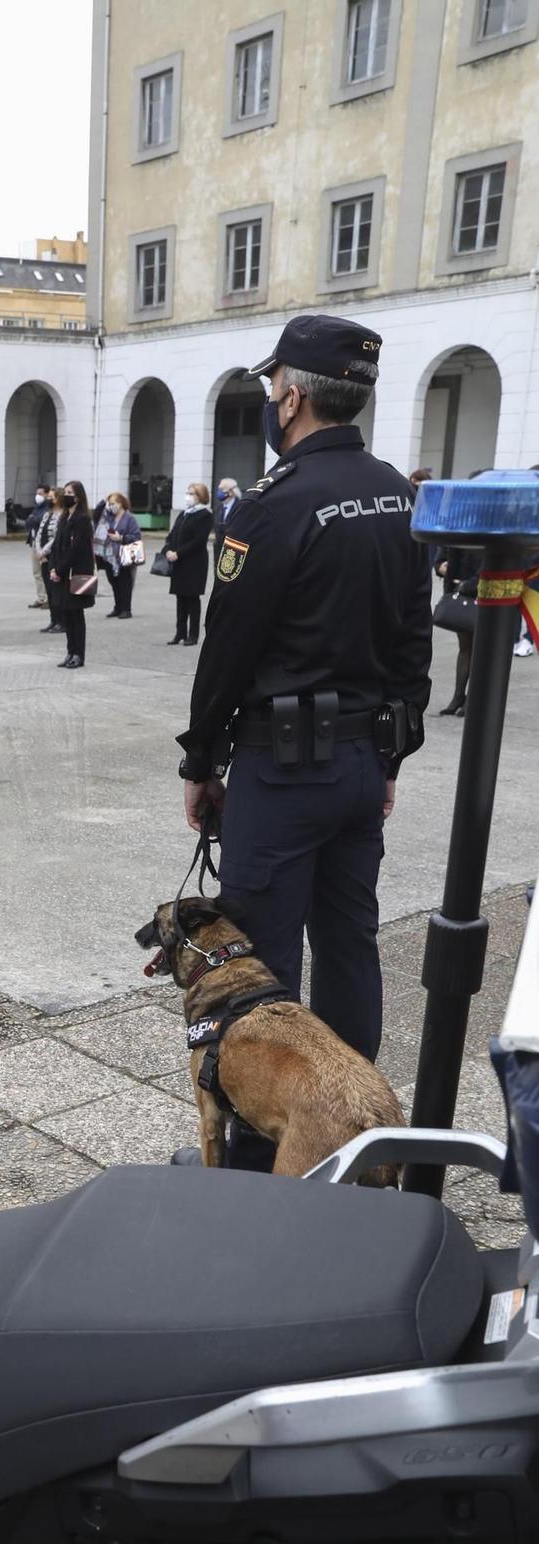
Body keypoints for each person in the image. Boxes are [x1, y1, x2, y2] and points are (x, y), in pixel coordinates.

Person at [176, 311, 432, 1171]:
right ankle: (360, 1131)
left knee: (262, 970)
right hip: (362, 764)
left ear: (290, 396)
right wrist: (387, 760)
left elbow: (228, 646)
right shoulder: (400, 491)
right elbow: (411, 642)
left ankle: (262, 1149)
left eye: (268, 386)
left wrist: (200, 760)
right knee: (350, 943)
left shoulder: (275, 504)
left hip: (283, 774)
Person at [49, 480, 95, 669]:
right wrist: (54, 568)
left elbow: (76, 549)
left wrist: (60, 569)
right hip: (63, 572)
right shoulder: (65, 517)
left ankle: (79, 654)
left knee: (77, 614)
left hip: (76, 573)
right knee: (67, 613)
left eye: (70, 493)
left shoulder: (82, 519)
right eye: (65, 492)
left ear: (78, 497)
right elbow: (58, 545)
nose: (66, 495)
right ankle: (70, 651)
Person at [163, 483, 213, 646]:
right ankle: (180, 633)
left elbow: (198, 541)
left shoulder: (204, 515)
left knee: (192, 598)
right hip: (178, 563)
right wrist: (169, 550)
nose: (188, 496)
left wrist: (179, 553)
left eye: (192, 493)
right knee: (180, 598)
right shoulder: (184, 513)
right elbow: (172, 534)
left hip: (193, 563)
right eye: (187, 493)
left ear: (201, 496)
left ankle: (193, 635)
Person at [435, 541, 481, 716]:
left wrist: (470, 584)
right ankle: (459, 695)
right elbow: (441, 556)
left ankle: (473, 698)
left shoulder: (486, 523)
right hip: (459, 589)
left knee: (479, 648)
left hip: (483, 591)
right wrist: (440, 566)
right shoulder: (458, 522)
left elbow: (493, 561)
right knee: (465, 646)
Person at [102, 493, 142, 619]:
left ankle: (126, 608)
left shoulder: (129, 518)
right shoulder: (110, 517)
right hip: (110, 555)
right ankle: (117, 607)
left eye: (113, 503)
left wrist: (121, 538)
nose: (111, 506)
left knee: (125, 582)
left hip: (125, 553)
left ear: (121, 503)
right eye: (110, 503)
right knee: (114, 581)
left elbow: (136, 536)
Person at [37, 488, 65, 632]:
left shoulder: (62, 516)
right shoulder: (47, 514)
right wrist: (38, 551)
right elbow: (39, 533)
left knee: (56, 591)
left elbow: (56, 537)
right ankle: (53, 620)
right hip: (43, 557)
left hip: (54, 556)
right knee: (49, 590)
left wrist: (44, 551)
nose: (48, 499)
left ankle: (61, 621)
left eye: (51, 497)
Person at [25, 483, 49, 607]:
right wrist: (32, 519)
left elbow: (37, 520)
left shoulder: (47, 508)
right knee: (37, 573)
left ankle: (48, 599)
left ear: (46, 494)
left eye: (40, 494)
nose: (37, 496)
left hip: (44, 545)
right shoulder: (37, 507)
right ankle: (41, 598)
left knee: (45, 572)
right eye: (37, 493)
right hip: (34, 542)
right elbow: (28, 522)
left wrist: (33, 519)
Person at [213, 477, 241, 555]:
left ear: (231, 492)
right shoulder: (218, 508)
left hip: (233, 550)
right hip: (219, 549)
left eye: (222, 489)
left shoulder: (240, 507)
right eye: (219, 489)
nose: (219, 492)